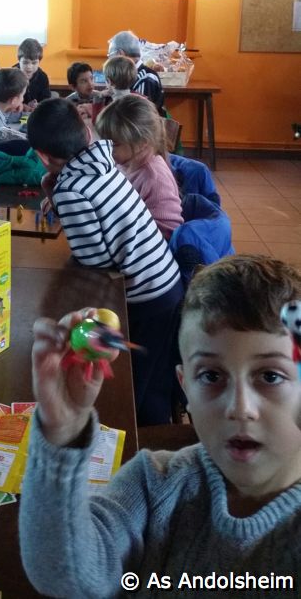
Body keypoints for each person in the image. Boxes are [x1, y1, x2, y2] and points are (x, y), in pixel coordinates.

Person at [20, 255, 301, 598]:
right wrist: (63, 433)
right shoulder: (154, 483)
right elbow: (67, 576)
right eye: (211, 376)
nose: (239, 408)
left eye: (270, 376)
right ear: (185, 388)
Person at [27, 98, 183, 424]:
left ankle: (141, 437)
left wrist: (59, 197)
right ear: (86, 131)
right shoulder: (103, 162)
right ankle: (154, 426)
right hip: (165, 281)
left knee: (135, 385)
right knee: (153, 375)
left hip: (145, 294)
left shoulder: (71, 189)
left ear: (43, 156)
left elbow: (93, 259)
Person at [95, 94, 183, 240]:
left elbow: (168, 232)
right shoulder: (123, 162)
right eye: (104, 142)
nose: (106, 149)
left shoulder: (154, 179)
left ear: (142, 142)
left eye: (114, 144)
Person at [107, 29, 164, 111]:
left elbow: (138, 114)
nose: (109, 60)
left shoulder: (145, 78)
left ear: (120, 54)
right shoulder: (127, 74)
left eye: (110, 55)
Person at [14, 37, 51, 108]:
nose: (29, 67)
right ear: (19, 60)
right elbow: (6, 101)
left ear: (39, 62)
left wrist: (38, 105)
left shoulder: (42, 77)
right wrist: (23, 106)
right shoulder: (10, 76)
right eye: (25, 62)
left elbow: (46, 101)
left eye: (34, 63)